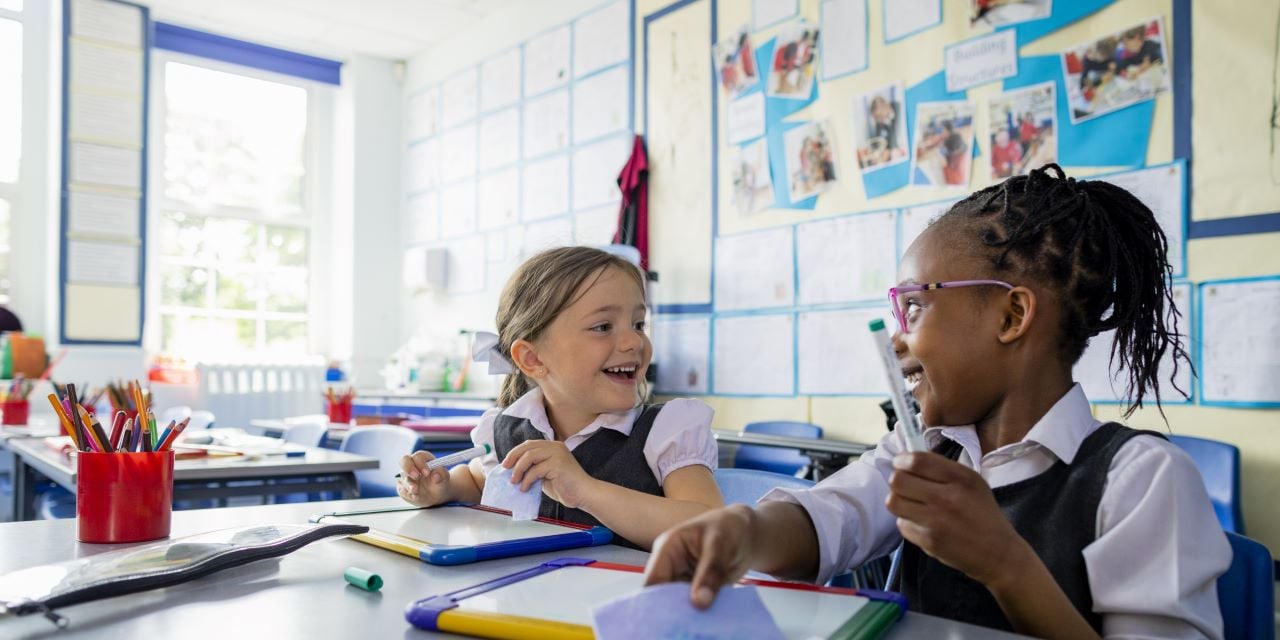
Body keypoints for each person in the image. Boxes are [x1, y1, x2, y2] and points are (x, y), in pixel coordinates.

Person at [644, 165, 1230, 639]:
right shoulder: (925, 448)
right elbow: (830, 520)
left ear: (1011, 315)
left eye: (915, 308)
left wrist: (1005, 564)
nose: (897, 338)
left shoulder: (1141, 481)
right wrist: (745, 532)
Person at [397, 246, 722, 550]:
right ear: (532, 359)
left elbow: (712, 530)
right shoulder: (508, 429)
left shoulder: (667, 431)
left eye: (638, 323)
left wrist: (585, 490)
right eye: (603, 326)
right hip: (531, 600)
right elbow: (477, 478)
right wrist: (444, 486)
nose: (634, 341)